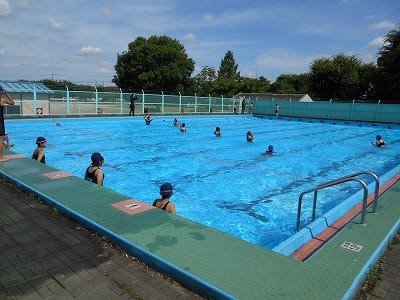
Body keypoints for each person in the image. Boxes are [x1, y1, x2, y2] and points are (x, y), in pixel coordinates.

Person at [0, 87, 15, 162]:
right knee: (0, 139)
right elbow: (12, 102)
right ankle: (0, 158)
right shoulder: (2, 100)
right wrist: (6, 94)